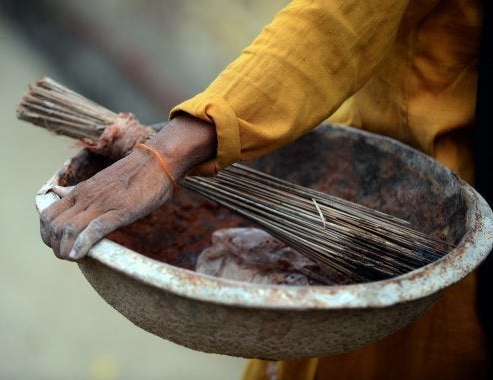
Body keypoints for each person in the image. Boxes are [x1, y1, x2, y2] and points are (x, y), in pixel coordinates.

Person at [40, 0, 490, 378]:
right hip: (395, 199)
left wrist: (164, 153)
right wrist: (164, 153)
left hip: (445, 225)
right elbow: (332, 23)